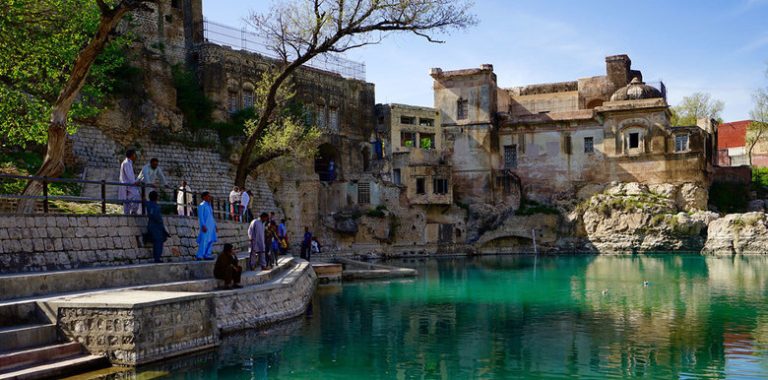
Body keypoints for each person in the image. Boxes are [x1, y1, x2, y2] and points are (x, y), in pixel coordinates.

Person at [146, 191, 169, 263]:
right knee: (158, 242)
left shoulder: (149, 204)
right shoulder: (155, 206)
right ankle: (157, 258)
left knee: (157, 242)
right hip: (156, 227)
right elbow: (154, 215)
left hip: (152, 225)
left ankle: (157, 257)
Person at [196, 192, 217, 260]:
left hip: (211, 226)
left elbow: (211, 216)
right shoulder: (202, 205)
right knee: (204, 240)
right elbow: (201, 217)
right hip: (206, 226)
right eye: (208, 196)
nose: (210, 197)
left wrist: (215, 225)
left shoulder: (209, 206)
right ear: (204, 197)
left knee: (210, 240)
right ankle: (200, 255)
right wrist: (203, 225)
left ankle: (207, 254)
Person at [118, 149, 140, 215]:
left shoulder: (128, 162)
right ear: (132, 155)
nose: (135, 156)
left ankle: (128, 214)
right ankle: (132, 212)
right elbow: (129, 175)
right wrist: (135, 182)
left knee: (127, 201)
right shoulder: (126, 163)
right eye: (134, 154)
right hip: (128, 185)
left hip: (129, 185)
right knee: (136, 195)